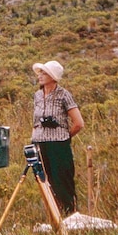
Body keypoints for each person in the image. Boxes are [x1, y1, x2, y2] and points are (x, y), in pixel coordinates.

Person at [31, 60, 84, 216]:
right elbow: (35, 122)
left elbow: (78, 123)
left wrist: (64, 137)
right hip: (39, 144)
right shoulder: (38, 95)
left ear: (53, 77)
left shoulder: (64, 95)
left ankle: (70, 214)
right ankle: (53, 215)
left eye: (45, 73)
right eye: (40, 72)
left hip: (58, 145)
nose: (40, 76)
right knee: (43, 180)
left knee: (62, 180)